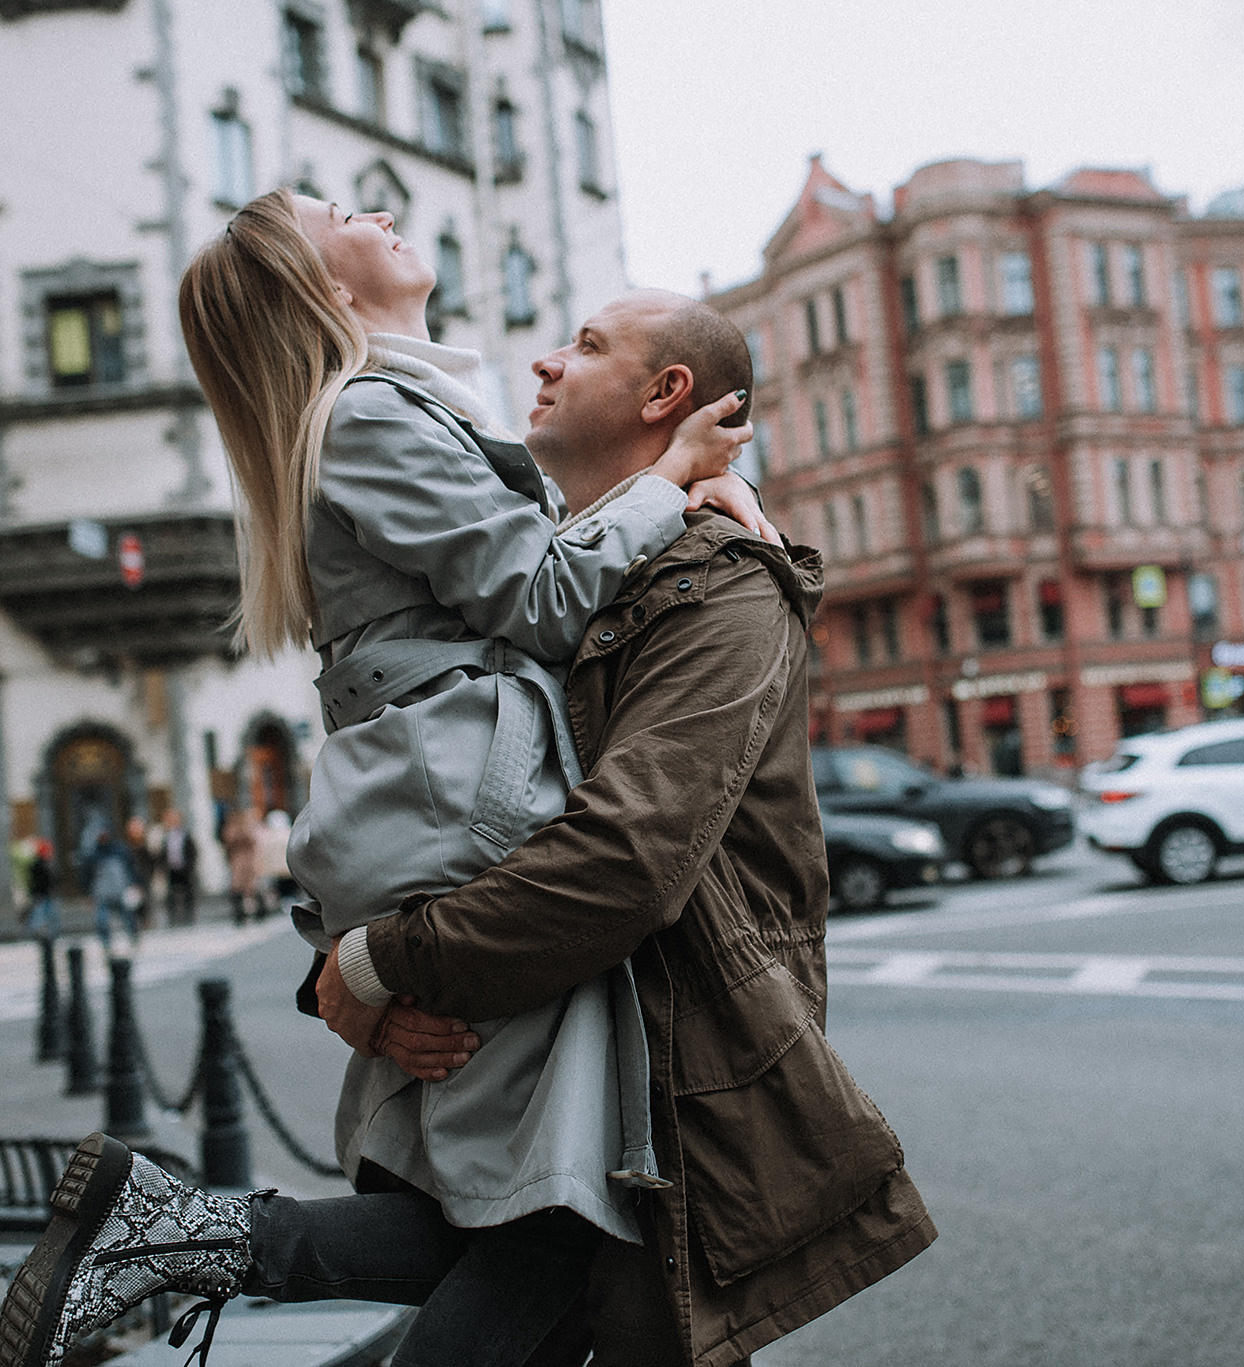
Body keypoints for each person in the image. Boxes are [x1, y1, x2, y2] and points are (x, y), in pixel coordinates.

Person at [0, 190, 767, 1367]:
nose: (386, 207)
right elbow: (545, 599)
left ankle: (180, 1233)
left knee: (522, 1203)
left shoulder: (390, 409)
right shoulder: (369, 413)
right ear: (325, 288)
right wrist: (669, 484)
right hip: (479, 813)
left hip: (451, 803)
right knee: (561, 1211)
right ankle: (174, 1232)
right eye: (345, 210)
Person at [313, 292, 936, 1362]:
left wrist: (378, 962)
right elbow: (444, 798)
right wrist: (347, 971)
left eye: (587, 346)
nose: (545, 363)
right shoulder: (555, 583)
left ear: (666, 395)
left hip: (671, 1079)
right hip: (551, 1069)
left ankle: (190, 1237)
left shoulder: (722, 583)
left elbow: (622, 858)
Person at [86, 828, 140, 954]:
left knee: (128, 918)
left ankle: (134, 939)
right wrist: (88, 893)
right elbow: (87, 876)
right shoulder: (93, 854)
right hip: (102, 893)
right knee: (102, 921)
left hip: (120, 890)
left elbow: (131, 868)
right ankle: (106, 944)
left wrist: (135, 884)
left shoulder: (120, 851)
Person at [220, 807, 260, 926]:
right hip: (236, 862)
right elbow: (227, 844)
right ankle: (240, 913)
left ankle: (256, 911)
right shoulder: (230, 829)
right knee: (237, 887)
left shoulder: (245, 828)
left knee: (250, 888)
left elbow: (252, 841)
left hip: (247, 862)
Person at [157, 809, 196, 926]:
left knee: (188, 893)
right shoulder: (166, 836)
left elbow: (192, 852)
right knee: (171, 896)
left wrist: (189, 865)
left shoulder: (185, 835)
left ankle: (188, 917)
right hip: (171, 869)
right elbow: (162, 854)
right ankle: (173, 919)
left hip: (184, 868)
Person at [21, 838, 59, 940]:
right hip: (41, 896)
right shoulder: (38, 866)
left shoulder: (41, 865)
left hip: (44, 896)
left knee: (48, 917)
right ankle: (44, 934)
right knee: (41, 918)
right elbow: (39, 882)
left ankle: (48, 934)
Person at [124, 816, 158, 930]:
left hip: (144, 879)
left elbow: (151, 862)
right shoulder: (127, 848)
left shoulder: (145, 847)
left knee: (146, 903)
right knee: (133, 905)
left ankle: (146, 923)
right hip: (131, 880)